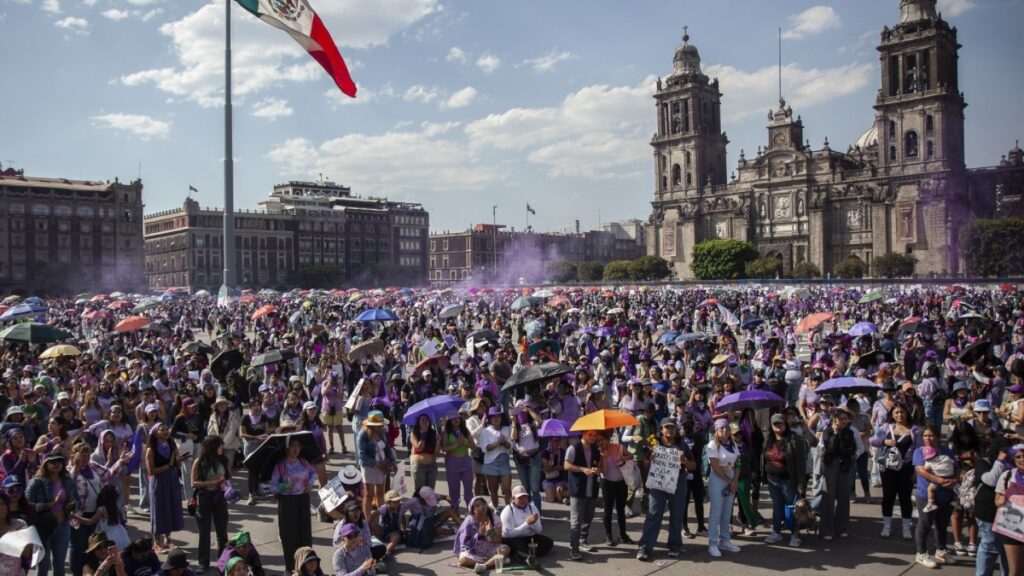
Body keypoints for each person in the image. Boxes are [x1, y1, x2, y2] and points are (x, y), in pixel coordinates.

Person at [636, 418, 694, 562]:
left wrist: (685, 461)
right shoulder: (654, 444)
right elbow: (645, 465)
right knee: (654, 514)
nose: (670, 430)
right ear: (661, 429)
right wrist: (650, 461)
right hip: (658, 482)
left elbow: (693, 466)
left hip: (678, 482)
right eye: (667, 427)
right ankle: (645, 547)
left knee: (676, 515)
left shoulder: (682, 445)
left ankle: (674, 545)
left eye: (672, 427)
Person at [870, 403, 920, 539]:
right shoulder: (886, 428)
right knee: (888, 497)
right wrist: (884, 442)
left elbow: (919, 450)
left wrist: (917, 470)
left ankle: (906, 528)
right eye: (896, 412)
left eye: (902, 412)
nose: (899, 415)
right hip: (888, 468)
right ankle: (886, 526)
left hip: (906, 467)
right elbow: (873, 440)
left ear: (907, 413)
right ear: (892, 414)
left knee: (905, 498)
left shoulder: (915, 430)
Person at [269, 435, 317, 574]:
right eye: (292, 446)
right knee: (289, 535)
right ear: (286, 448)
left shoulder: (303, 461)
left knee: (305, 533)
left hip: (302, 498)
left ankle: (307, 564)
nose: (296, 449)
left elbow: (313, 473)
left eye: (298, 446)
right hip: (287, 502)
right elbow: (273, 487)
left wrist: (310, 484)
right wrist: (284, 485)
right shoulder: (280, 465)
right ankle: (290, 567)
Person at [27, 451, 78, 576]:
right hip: (43, 527)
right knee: (43, 564)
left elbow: (78, 501)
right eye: (53, 462)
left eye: (59, 461)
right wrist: (51, 504)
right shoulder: (36, 482)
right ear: (45, 464)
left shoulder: (68, 481)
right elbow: (28, 505)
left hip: (63, 526)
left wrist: (72, 505)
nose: (57, 464)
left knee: (59, 564)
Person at [913, 426, 958, 568]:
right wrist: (941, 481)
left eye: (931, 435)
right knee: (925, 524)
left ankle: (941, 550)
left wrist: (955, 481)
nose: (927, 438)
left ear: (938, 437)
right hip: (926, 495)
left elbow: (957, 469)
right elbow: (921, 470)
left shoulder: (947, 451)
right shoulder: (919, 452)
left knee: (942, 525)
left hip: (946, 494)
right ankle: (921, 553)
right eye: (925, 436)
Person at [762, 413, 807, 547]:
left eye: (780, 423)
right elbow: (763, 457)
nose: (778, 426)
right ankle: (776, 532)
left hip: (788, 480)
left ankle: (794, 534)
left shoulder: (794, 440)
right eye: (775, 424)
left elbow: (801, 463)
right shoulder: (768, 439)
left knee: (791, 508)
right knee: (777, 507)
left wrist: (801, 482)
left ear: (785, 424)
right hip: (772, 479)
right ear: (771, 426)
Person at [190, 436, 230, 573]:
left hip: (220, 498)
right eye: (219, 446)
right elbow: (193, 483)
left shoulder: (224, 460)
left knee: (222, 533)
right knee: (204, 533)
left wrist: (225, 485)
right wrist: (212, 483)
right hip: (205, 498)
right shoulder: (199, 461)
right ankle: (203, 563)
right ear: (211, 447)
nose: (222, 448)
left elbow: (228, 479)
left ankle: (223, 563)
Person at [818, 406, 857, 541]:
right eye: (841, 419)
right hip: (830, 465)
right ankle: (826, 529)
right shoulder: (827, 431)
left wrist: (843, 451)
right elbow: (829, 449)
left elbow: (852, 449)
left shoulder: (849, 433)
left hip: (844, 466)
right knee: (828, 498)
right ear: (834, 420)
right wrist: (835, 433)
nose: (843, 421)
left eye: (845, 419)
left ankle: (841, 528)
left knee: (844, 497)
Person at [145, 423, 184, 552]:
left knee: (170, 508)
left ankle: (167, 540)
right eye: (162, 429)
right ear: (156, 433)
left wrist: (180, 460)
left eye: (167, 429)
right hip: (159, 481)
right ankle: (156, 542)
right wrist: (170, 464)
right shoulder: (151, 449)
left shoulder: (172, 446)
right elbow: (151, 471)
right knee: (158, 509)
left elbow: (177, 466)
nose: (166, 431)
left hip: (172, 480)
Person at [564, 428, 601, 561]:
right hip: (578, 490)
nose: (593, 437)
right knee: (576, 521)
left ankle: (583, 541)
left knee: (588, 517)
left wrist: (597, 470)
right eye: (590, 434)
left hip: (592, 490)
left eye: (595, 435)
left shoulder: (595, 449)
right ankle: (574, 549)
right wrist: (582, 469)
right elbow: (566, 465)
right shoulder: (573, 448)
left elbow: (599, 467)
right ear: (583, 433)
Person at [705, 418, 740, 557]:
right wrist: (729, 480)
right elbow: (715, 466)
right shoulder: (713, 444)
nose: (725, 431)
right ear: (716, 430)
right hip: (718, 478)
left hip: (731, 477)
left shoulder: (733, 444)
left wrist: (735, 480)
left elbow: (738, 464)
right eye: (721, 428)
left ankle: (725, 540)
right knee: (716, 512)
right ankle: (712, 543)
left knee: (727, 511)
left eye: (727, 428)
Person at [453, 496, 511, 575]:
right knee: (463, 560)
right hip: (474, 550)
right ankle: (493, 561)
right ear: (473, 510)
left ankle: (484, 566)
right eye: (477, 506)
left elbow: (498, 540)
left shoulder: (494, 518)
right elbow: (464, 542)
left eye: (483, 504)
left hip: (491, 547)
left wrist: (489, 533)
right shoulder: (469, 521)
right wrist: (478, 536)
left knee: (506, 549)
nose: (482, 507)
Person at [499, 485, 551, 569]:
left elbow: (538, 531)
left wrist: (534, 523)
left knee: (548, 542)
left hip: (529, 537)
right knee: (516, 543)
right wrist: (526, 524)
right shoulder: (507, 511)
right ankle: (527, 558)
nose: (523, 500)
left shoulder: (532, 507)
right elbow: (508, 534)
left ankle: (522, 554)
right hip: (514, 538)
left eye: (525, 497)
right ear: (513, 499)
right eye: (520, 498)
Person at [356, 411, 395, 522]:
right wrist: (378, 464)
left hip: (382, 466)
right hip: (369, 467)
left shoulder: (382, 432)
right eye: (378, 425)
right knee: (368, 495)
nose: (381, 427)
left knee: (380, 493)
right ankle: (368, 521)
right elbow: (362, 456)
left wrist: (393, 462)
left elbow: (387, 449)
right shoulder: (362, 435)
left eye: (381, 425)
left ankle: (380, 520)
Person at [597, 429, 634, 547]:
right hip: (608, 483)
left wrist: (624, 458)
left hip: (621, 482)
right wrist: (603, 458)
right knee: (608, 510)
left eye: (601, 440)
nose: (600, 443)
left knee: (621, 510)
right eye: (598, 441)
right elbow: (605, 472)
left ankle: (623, 535)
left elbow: (631, 455)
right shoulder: (599, 452)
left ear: (607, 439)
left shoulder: (618, 447)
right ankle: (608, 536)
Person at [994, 443, 1024, 575]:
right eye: (1018, 457)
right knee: (1015, 571)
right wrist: (999, 501)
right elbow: (997, 499)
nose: (1022, 460)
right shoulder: (1007, 476)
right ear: (1013, 460)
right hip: (1013, 527)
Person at [440, 411, 474, 513]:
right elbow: (444, 448)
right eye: (453, 419)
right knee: (454, 490)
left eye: (458, 418)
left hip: (466, 462)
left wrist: (465, 443)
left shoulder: (465, 431)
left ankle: (471, 511)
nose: (456, 420)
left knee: (468, 490)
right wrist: (456, 445)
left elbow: (473, 446)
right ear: (449, 421)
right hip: (452, 463)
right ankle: (455, 511)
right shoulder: (446, 433)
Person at [480, 407, 513, 509]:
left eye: (498, 416)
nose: (496, 418)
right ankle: (496, 509)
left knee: (507, 489)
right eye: (493, 416)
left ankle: (510, 511)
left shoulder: (506, 429)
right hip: (491, 462)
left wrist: (504, 442)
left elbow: (510, 446)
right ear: (489, 418)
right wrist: (498, 442)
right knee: (493, 489)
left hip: (504, 460)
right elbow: (485, 448)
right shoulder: (486, 431)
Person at [922, 445, 957, 513]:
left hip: (939, 478)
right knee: (955, 488)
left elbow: (925, 470)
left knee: (930, 489)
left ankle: (931, 503)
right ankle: (956, 500)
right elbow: (954, 463)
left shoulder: (929, 461)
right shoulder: (946, 457)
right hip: (950, 476)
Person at [409, 414, 439, 493]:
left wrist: (438, 441)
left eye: (427, 420)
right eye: (422, 420)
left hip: (431, 466)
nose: (425, 422)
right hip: (419, 467)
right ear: (418, 422)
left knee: (430, 491)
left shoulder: (433, 433)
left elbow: (436, 452)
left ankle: (429, 505)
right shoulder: (414, 434)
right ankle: (420, 505)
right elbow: (419, 448)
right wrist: (423, 435)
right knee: (420, 491)